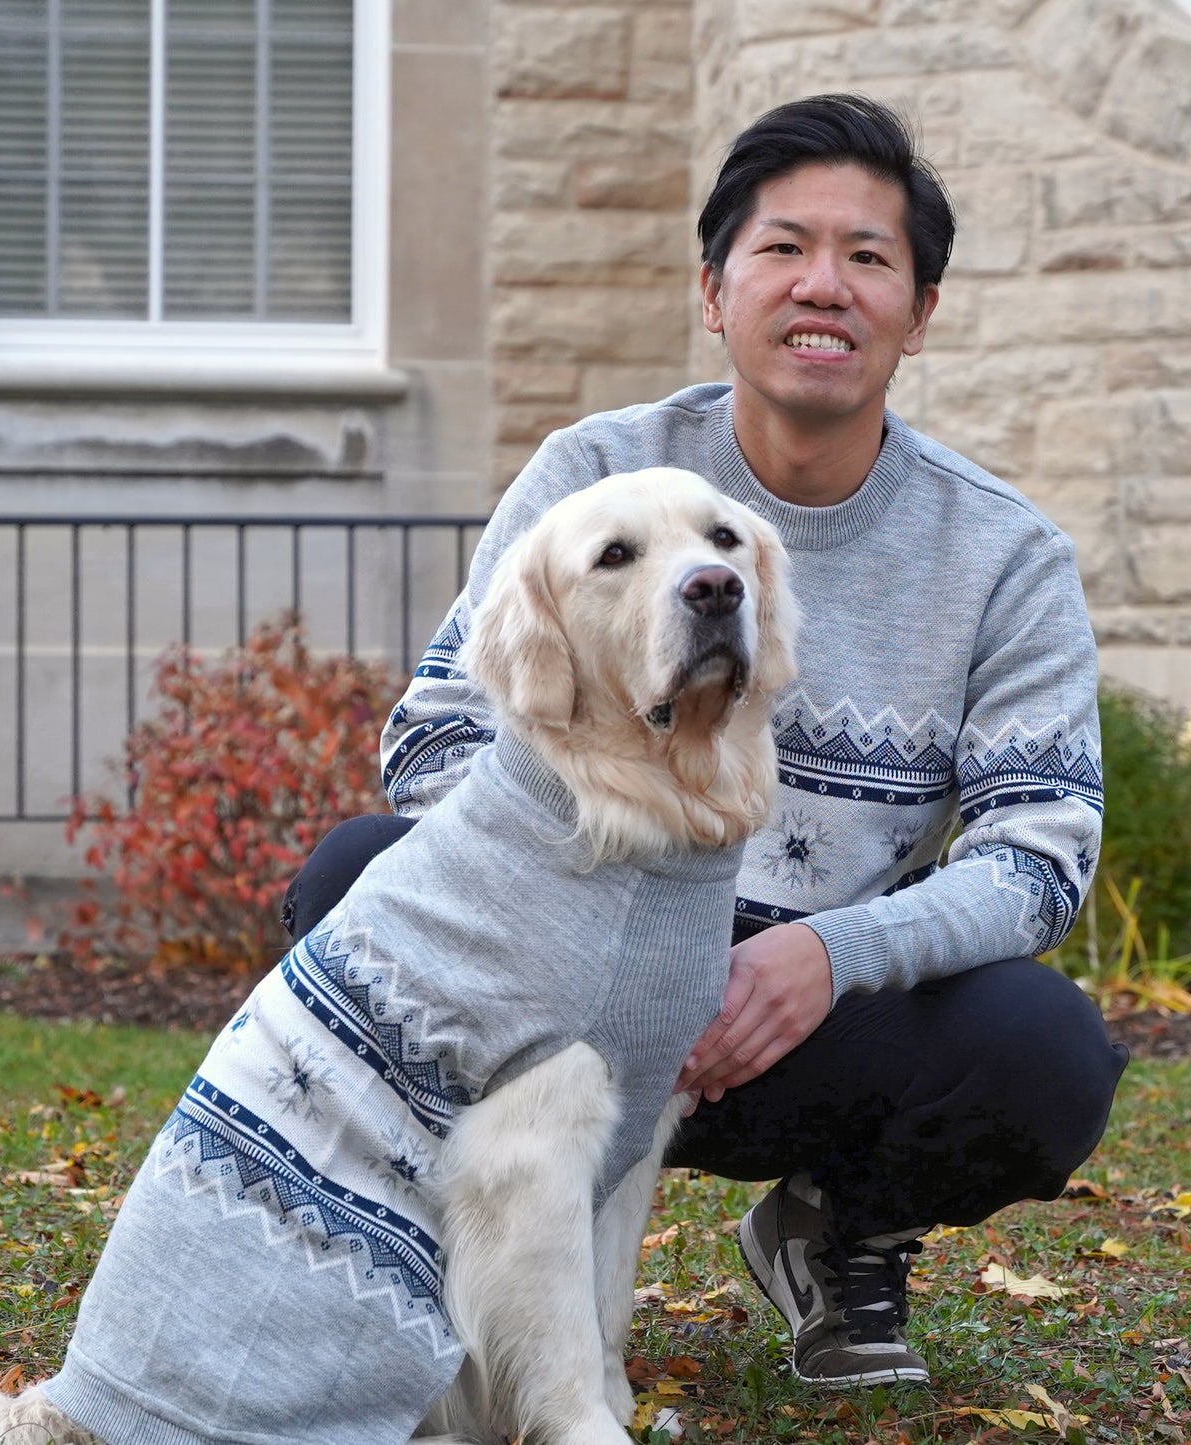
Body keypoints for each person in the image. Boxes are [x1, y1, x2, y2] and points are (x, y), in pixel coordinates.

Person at [281, 93, 1128, 1389]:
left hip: (804, 998)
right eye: (783, 247)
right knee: (353, 872)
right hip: (565, 948)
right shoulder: (594, 474)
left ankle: (837, 1225)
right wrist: (615, 921)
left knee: (1043, 1050)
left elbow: (1043, 851)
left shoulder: (1002, 554)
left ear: (921, 309)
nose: (822, 286)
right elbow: (439, 733)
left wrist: (823, 954)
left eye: (867, 257)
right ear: (713, 288)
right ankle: (421, 1245)